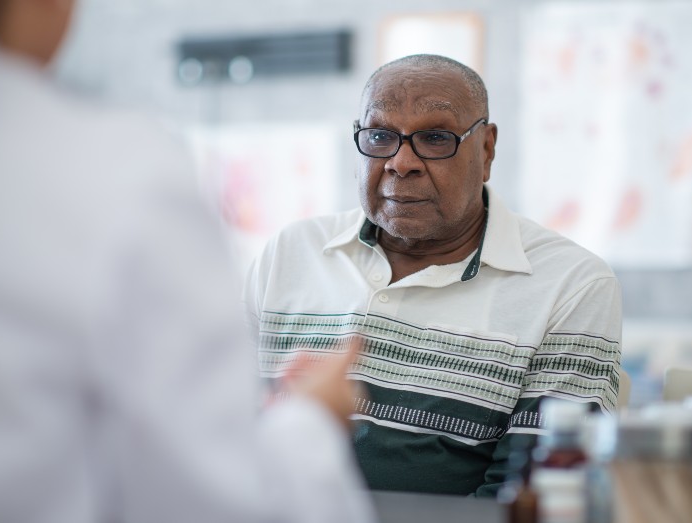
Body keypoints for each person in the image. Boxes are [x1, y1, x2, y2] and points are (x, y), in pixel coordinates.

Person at [0, 1, 375, 522]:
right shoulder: (116, 173)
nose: (401, 163)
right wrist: (312, 419)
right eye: (379, 137)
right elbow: (217, 502)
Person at [246, 54, 623, 497]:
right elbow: (216, 440)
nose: (401, 162)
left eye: (436, 138)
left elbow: (534, 497)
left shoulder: (570, 284)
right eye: (381, 135)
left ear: (486, 150)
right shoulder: (289, 253)